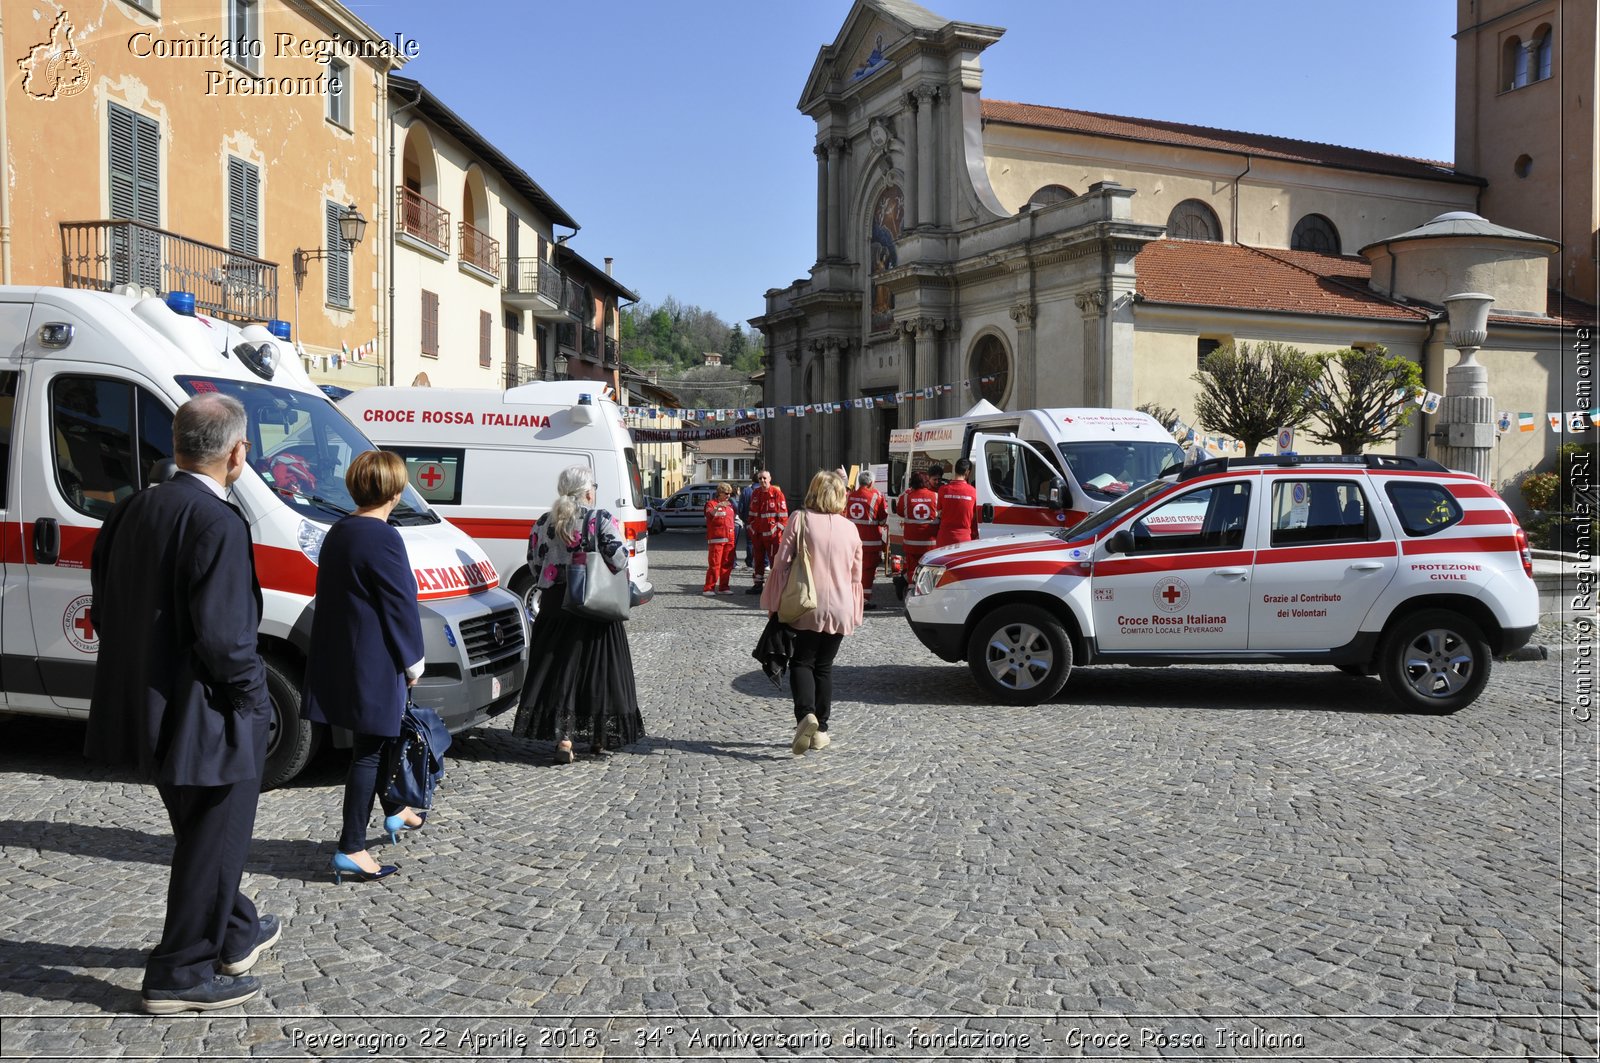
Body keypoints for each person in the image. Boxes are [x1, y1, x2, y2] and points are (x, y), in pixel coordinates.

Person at [84, 393, 278, 1014]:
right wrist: (254, 702)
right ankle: (180, 971)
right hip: (208, 711)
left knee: (203, 832)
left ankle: (235, 929)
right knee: (214, 834)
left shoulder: (134, 507)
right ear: (237, 452)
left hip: (152, 701)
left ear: (179, 443)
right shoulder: (217, 521)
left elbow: (104, 598)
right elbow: (225, 638)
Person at [303, 451, 426, 886]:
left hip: (347, 654)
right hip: (375, 658)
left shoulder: (341, 530)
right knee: (370, 751)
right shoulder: (382, 536)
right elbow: (399, 603)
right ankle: (351, 846)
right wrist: (414, 659)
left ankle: (393, 810)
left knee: (380, 740)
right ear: (394, 491)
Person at [512, 464, 645, 762]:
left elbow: (533, 563)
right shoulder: (600, 519)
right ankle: (599, 738)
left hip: (555, 606)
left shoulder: (544, 522)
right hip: (593, 607)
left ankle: (565, 741)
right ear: (587, 491)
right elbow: (619, 558)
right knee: (599, 673)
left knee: (560, 672)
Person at [761, 470, 863, 755]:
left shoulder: (801, 519)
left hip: (807, 602)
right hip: (841, 604)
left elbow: (781, 563)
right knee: (825, 666)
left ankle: (806, 715)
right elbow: (856, 577)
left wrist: (774, 602)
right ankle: (822, 730)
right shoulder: (851, 529)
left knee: (802, 662)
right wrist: (854, 612)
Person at [845, 469, 889, 610]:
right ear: (871, 483)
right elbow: (882, 519)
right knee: (868, 572)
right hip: (871, 542)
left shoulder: (849, 495)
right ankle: (863, 600)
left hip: (851, 540)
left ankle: (851, 597)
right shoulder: (877, 496)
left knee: (852, 570)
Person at [745, 469, 788, 594]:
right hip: (758, 535)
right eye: (760, 479)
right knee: (757, 560)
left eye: (764, 478)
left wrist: (777, 531)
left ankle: (776, 587)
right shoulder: (756, 493)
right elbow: (751, 514)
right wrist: (751, 528)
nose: (762, 481)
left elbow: (784, 517)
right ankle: (758, 585)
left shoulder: (777, 494)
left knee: (775, 561)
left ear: (770, 479)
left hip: (772, 536)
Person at [898, 470, 941, 575]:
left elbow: (900, 512)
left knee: (912, 570)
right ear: (927, 482)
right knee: (930, 571)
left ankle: (911, 589)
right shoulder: (935, 497)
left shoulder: (905, 497)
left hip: (911, 543)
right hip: (930, 544)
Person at [935, 457, 980, 547]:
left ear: (955, 470)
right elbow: (974, 516)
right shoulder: (973, 492)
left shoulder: (943, 490)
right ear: (967, 472)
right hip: (963, 539)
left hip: (944, 538)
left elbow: (939, 511)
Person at [703, 481, 737, 595]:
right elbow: (709, 515)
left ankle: (724, 587)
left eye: (729, 494)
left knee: (727, 565)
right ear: (719, 493)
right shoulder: (711, 504)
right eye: (726, 493)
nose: (728, 496)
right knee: (714, 565)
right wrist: (717, 507)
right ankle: (709, 588)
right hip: (717, 540)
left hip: (729, 540)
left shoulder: (730, 506)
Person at [736, 473, 758, 568]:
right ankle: (763, 562)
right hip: (764, 522)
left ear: (752, 480)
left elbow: (740, 508)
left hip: (749, 521)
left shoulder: (746, 491)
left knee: (750, 542)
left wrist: (744, 519)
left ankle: (750, 562)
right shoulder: (767, 490)